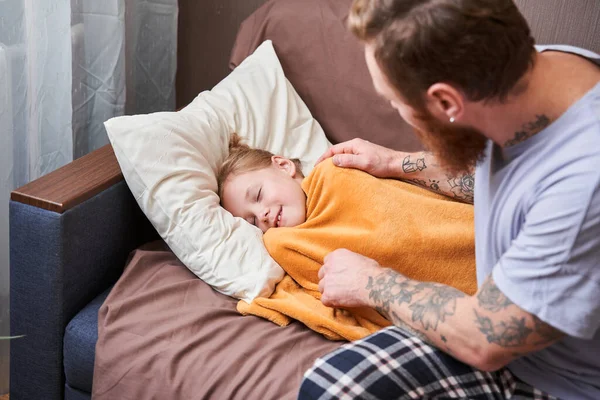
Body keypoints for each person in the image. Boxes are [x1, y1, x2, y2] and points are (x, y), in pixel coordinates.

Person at [298, 0, 600, 399]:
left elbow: (484, 340)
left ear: (446, 103)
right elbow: (505, 171)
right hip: (513, 338)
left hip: (564, 382)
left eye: (394, 101)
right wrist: (395, 162)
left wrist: (371, 283)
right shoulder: (531, 71)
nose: (396, 108)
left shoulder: (584, 183)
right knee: (330, 386)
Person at [218, 134, 478, 341]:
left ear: (284, 166)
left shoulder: (335, 172)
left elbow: (405, 210)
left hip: (473, 239)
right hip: (453, 314)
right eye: (251, 221)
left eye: (259, 194)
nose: (261, 214)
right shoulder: (285, 245)